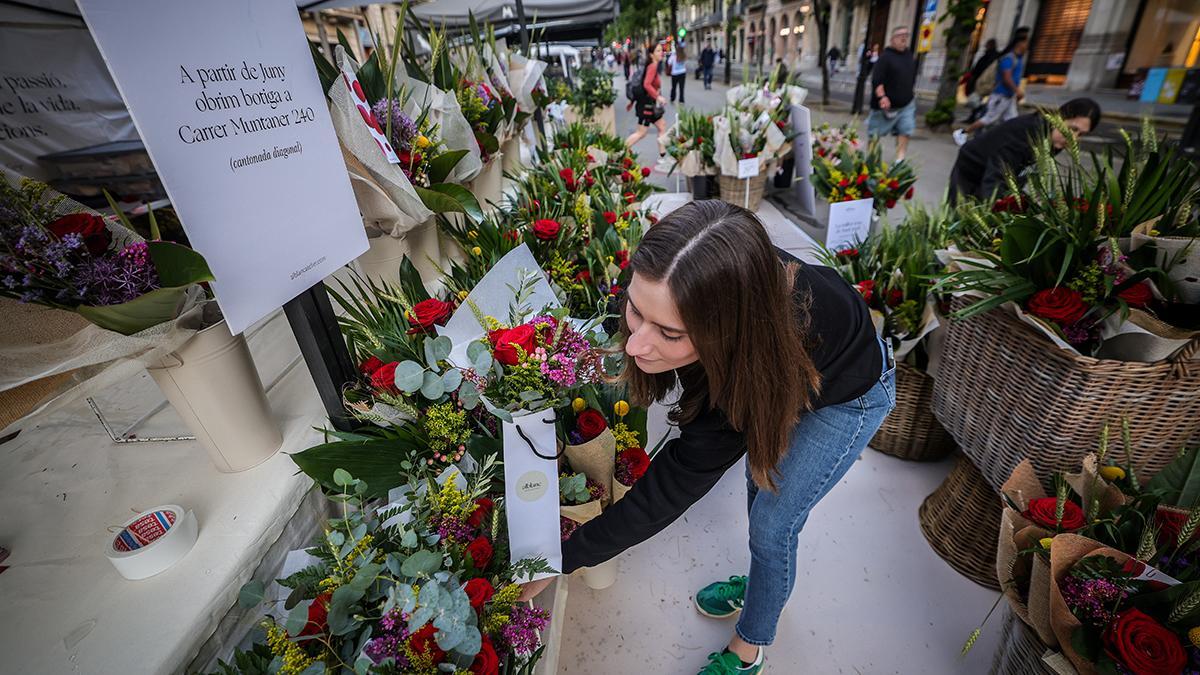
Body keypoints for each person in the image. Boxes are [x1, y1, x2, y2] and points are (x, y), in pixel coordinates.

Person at [518, 200, 895, 675]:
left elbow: (672, 487)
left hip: (848, 394)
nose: (635, 345)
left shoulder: (748, 372)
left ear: (727, 331)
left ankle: (750, 645)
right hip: (798, 365)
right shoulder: (679, 279)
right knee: (759, 493)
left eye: (669, 334)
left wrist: (564, 557)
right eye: (635, 310)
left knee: (773, 525)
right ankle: (764, 583)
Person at [948, 97, 1102, 204]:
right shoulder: (1024, 136)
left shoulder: (1055, 139)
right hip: (972, 166)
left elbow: (1023, 172)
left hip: (997, 171)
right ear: (1059, 118)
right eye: (1072, 129)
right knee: (962, 218)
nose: (1073, 139)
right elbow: (995, 180)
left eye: (1081, 134)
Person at [955, 33, 1029, 145]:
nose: (1027, 46)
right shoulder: (1008, 59)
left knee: (1011, 120)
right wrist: (1017, 90)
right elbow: (1006, 78)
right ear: (1020, 43)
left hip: (1008, 96)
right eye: (1026, 43)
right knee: (989, 118)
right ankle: (962, 133)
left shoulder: (1016, 59)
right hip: (1001, 96)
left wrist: (1015, 93)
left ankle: (1007, 143)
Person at [868, 26, 917, 162]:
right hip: (885, 107)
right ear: (892, 39)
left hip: (906, 104)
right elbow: (877, 80)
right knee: (875, 135)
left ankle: (899, 161)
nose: (903, 38)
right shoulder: (885, 57)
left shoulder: (909, 56)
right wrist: (882, 96)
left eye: (906, 35)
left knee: (905, 131)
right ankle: (872, 162)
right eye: (900, 35)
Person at [627, 42, 669, 153]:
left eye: (662, 50)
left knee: (662, 126)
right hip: (646, 106)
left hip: (650, 105)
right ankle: (619, 151)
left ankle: (662, 156)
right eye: (658, 51)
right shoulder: (652, 66)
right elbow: (646, 84)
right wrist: (658, 97)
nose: (661, 53)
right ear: (651, 54)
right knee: (641, 133)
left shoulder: (652, 66)